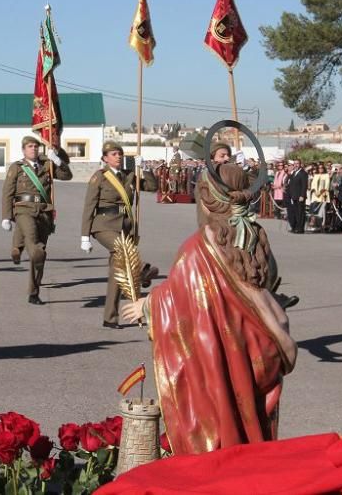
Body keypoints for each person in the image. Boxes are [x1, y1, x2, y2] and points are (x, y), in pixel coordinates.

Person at [122, 162, 297, 454]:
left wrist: (150, 305)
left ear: (206, 197)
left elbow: (184, 298)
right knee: (253, 420)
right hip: (260, 345)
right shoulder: (255, 233)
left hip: (224, 349)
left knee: (222, 421)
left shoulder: (198, 247)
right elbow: (268, 282)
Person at [81, 141, 158, 328]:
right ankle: (142, 269)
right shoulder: (100, 177)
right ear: (105, 158)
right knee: (123, 250)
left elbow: (152, 186)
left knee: (118, 273)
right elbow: (89, 206)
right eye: (114, 154)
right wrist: (84, 236)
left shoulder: (129, 176)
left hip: (125, 226)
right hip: (103, 225)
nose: (118, 156)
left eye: (120, 154)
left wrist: (144, 167)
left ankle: (110, 318)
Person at [1, 135, 72, 305]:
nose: (34, 149)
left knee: (39, 254)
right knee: (34, 244)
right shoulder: (17, 167)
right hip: (23, 210)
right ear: (24, 149)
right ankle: (18, 246)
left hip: (44, 212)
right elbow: (7, 193)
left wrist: (58, 160)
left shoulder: (47, 165)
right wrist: (6, 216)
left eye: (36, 146)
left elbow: (67, 175)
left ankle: (34, 291)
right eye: (30, 146)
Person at [286, 160, 308, 233]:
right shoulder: (294, 173)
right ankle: (295, 227)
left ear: (300, 164)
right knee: (295, 213)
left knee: (300, 213)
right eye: (295, 164)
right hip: (294, 196)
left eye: (297, 164)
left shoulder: (303, 173)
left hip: (300, 196)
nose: (296, 165)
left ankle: (300, 228)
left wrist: (302, 195)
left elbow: (304, 185)